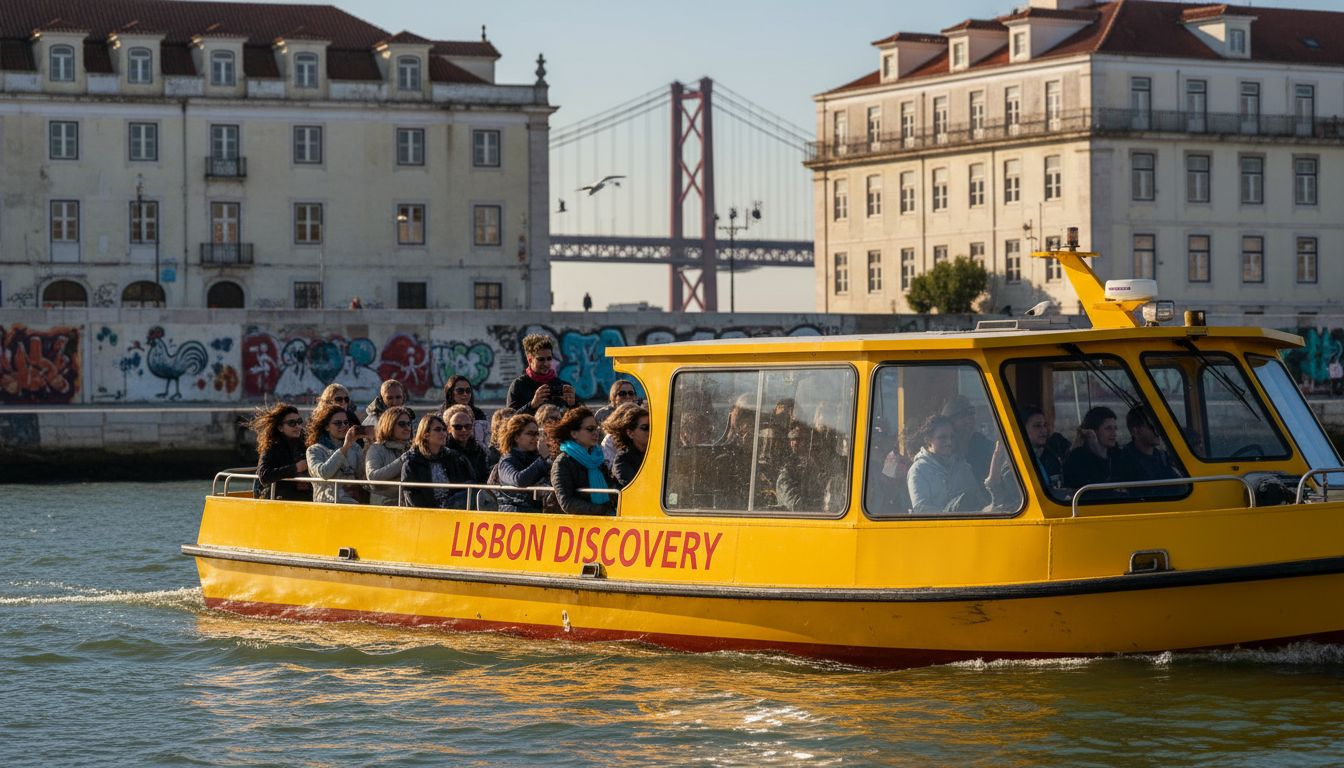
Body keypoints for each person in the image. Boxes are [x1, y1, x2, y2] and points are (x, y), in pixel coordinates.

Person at [907, 415, 986, 514]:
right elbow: (921, 508)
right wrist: (952, 513)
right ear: (928, 440)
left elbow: (979, 500)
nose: (949, 442)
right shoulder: (918, 470)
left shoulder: (963, 467)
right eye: (942, 438)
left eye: (952, 437)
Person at [546, 406, 617, 515]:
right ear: (574, 434)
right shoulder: (562, 463)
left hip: (603, 523)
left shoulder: (598, 458)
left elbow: (611, 489)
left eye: (597, 429)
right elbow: (567, 503)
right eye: (590, 429)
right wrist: (604, 511)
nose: (595, 433)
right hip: (576, 527)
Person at [400, 414, 473, 509]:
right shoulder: (412, 463)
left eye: (444, 430)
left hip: (455, 513)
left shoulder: (454, 457)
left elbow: (465, 487)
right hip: (426, 515)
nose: (443, 433)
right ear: (425, 434)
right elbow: (412, 497)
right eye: (438, 429)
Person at [305, 401, 366, 504]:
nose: (343, 426)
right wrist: (345, 447)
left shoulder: (355, 447)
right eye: (338, 423)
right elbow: (324, 472)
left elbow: (363, 476)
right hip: (328, 507)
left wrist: (371, 445)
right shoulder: (314, 450)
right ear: (327, 427)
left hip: (353, 505)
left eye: (346, 422)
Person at [252, 402, 312, 501]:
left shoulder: (304, 443)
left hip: (302, 498)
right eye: (292, 423)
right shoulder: (272, 447)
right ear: (280, 427)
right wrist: (295, 468)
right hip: (278, 500)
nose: (297, 426)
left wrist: (302, 478)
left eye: (299, 421)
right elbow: (264, 475)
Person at [507, 334, 578, 415]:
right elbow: (510, 421)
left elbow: (583, 420)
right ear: (530, 360)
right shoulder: (518, 385)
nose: (546, 363)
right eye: (541, 359)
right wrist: (532, 405)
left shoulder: (562, 386)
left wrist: (573, 405)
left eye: (549, 358)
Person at [776, 426, 842, 512]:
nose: (816, 453)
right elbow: (795, 504)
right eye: (813, 448)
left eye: (818, 448)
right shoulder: (788, 473)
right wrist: (823, 504)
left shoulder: (820, 472)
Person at [495, 414, 553, 512]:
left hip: (538, 513)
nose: (535, 438)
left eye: (537, 434)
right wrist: (543, 460)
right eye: (530, 434)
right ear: (516, 437)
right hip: (513, 514)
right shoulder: (506, 460)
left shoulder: (536, 457)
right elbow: (518, 480)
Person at [1062, 406, 1124, 490]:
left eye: (1115, 428)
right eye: (1108, 428)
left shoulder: (1119, 455)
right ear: (1093, 431)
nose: (1114, 433)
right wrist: (1098, 452)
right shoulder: (1077, 458)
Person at [364, 406, 413, 506]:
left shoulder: (412, 449)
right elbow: (373, 477)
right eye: (402, 424)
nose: (407, 428)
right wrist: (403, 459)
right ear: (389, 425)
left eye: (409, 424)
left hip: (409, 505)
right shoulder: (376, 448)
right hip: (385, 507)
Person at [1120, 406, 1182, 482]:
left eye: (1159, 426)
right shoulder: (1125, 462)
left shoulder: (1163, 458)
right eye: (1152, 427)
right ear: (1135, 432)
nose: (1158, 431)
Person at [942, 395, 994, 479]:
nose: (969, 420)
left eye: (971, 414)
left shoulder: (984, 445)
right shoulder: (941, 448)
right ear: (949, 421)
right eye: (962, 416)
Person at [604, 403, 649, 488]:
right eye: (644, 428)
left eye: (652, 427)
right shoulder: (622, 460)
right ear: (630, 433)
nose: (650, 431)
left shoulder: (656, 454)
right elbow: (638, 487)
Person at [1021, 405, 1066, 488]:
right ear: (1023, 429)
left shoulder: (1052, 453)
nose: (1044, 430)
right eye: (1037, 426)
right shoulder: (1016, 459)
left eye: (1045, 425)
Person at [444, 404, 489, 485]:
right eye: (458, 427)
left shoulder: (478, 449)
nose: (464, 430)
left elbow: (484, 476)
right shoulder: (444, 451)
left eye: (467, 426)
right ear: (449, 429)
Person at [440, 375, 489, 445]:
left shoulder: (480, 415)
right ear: (451, 392)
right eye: (460, 391)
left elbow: (486, 442)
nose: (465, 394)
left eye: (468, 391)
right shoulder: (440, 417)